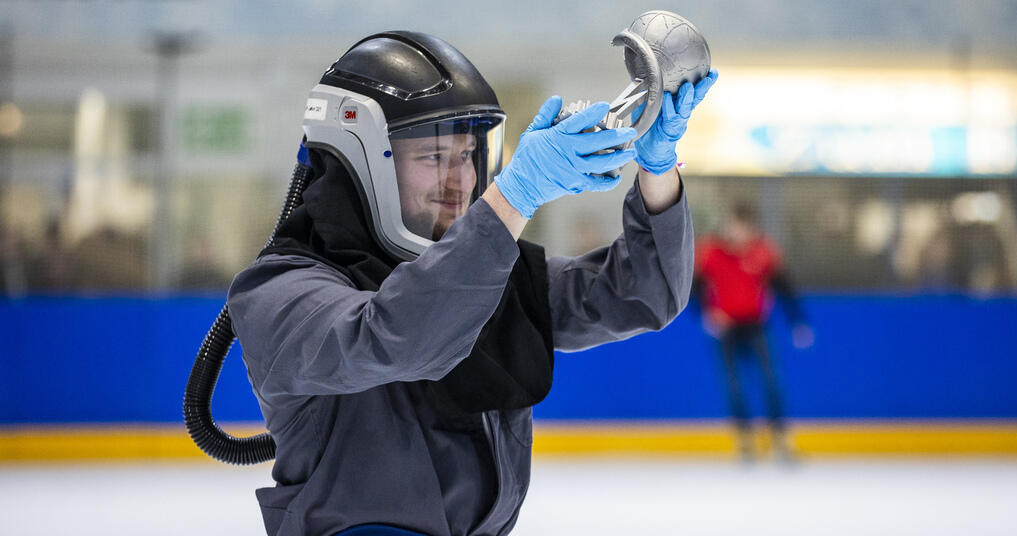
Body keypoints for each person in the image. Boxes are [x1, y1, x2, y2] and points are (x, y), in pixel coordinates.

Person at [228, 31, 717, 536]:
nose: (460, 181)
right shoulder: (278, 291)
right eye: (433, 157)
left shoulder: (487, 272)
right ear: (361, 158)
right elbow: (398, 336)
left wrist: (657, 166)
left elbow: (641, 293)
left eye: (466, 155)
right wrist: (517, 194)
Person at [695, 201, 813, 461]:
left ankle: (780, 439)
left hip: (756, 324)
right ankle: (745, 439)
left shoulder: (763, 252)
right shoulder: (711, 252)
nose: (737, 233)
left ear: (751, 228)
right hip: (726, 328)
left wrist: (797, 321)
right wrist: (707, 314)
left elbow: (784, 287)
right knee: (733, 383)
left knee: (771, 380)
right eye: (733, 227)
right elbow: (696, 287)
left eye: (743, 228)